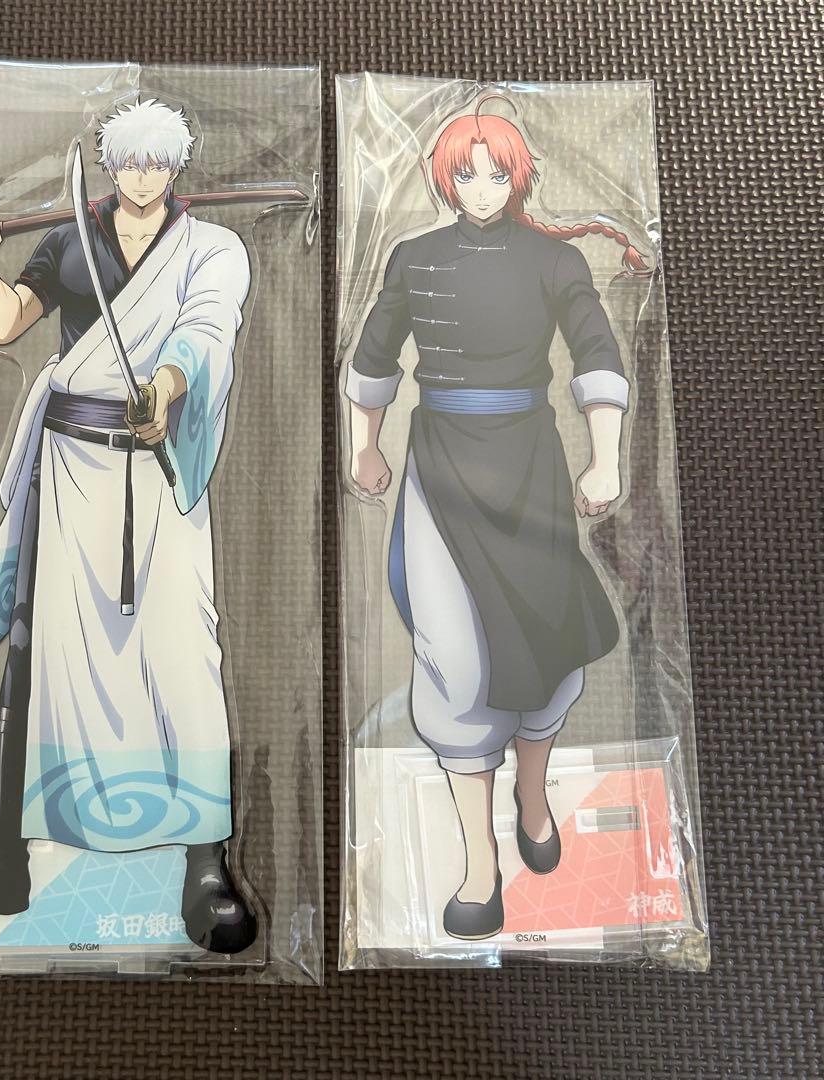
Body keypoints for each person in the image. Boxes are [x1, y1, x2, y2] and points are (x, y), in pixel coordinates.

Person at [0, 98, 256, 953]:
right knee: (36, 649)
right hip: (68, 468)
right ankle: (5, 859)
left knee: (184, 652)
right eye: (129, 160)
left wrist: (165, 390)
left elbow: (205, 332)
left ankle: (207, 863)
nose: (143, 175)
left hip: (156, 469)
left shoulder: (212, 248)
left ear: (177, 165)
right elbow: (5, 323)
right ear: (108, 163)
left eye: (158, 161)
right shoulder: (69, 240)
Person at [345, 101, 643, 940]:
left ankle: (533, 798)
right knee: (454, 661)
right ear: (445, 179)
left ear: (520, 176)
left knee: (545, 645)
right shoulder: (413, 258)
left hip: (530, 468)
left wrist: (607, 459)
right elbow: (373, 358)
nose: (481, 188)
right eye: (466, 173)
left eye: (497, 172)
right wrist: (364, 447)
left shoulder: (555, 260)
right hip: (441, 473)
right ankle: (480, 860)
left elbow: (596, 351)